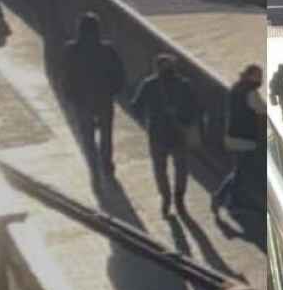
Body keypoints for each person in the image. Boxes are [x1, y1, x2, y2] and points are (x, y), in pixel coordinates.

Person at [132, 53, 198, 218]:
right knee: (181, 169)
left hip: (157, 134)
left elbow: (135, 106)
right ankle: (179, 198)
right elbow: (195, 108)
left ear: (156, 68)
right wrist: (186, 120)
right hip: (179, 133)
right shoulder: (184, 84)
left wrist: (146, 121)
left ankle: (166, 198)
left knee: (160, 169)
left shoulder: (149, 84)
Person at [62, 12, 126, 182]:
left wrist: (70, 95)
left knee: (87, 134)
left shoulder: (71, 49)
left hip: (82, 100)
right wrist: (113, 90)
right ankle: (106, 164)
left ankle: (93, 164)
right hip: (104, 98)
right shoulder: (107, 49)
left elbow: (66, 75)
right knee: (106, 134)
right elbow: (119, 74)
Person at [214, 64, 266, 213]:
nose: (260, 79)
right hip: (246, 140)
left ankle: (229, 200)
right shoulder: (251, 93)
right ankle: (224, 199)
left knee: (241, 170)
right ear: (250, 76)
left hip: (232, 136)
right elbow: (262, 112)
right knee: (245, 171)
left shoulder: (236, 88)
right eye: (258, 75)